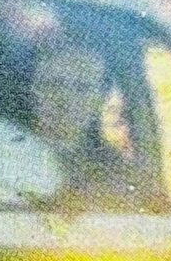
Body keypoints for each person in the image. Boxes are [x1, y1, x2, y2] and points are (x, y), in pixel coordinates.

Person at [26, 39, 149, 209]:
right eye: (54, 84)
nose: (65, 100)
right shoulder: (0, 149)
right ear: (34, 90)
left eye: (82, 88)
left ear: (100, 99)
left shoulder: (115, 170)